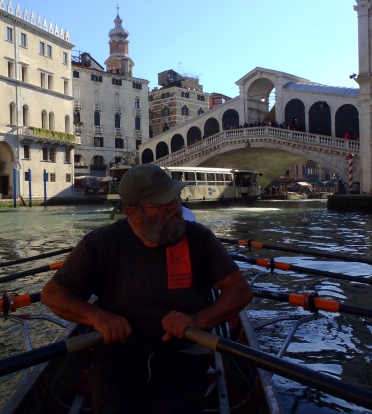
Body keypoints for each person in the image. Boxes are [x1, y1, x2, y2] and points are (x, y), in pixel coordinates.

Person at [42, 163, 252, 414]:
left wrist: (198, 319)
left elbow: (240, 290)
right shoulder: (100, 242)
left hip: (182, 354)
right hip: (117, 357)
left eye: (175, 198)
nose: (175, 208)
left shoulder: (198, 237)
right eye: (162, 205)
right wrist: (97, 316)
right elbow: (52, 293)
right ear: (133, 212)